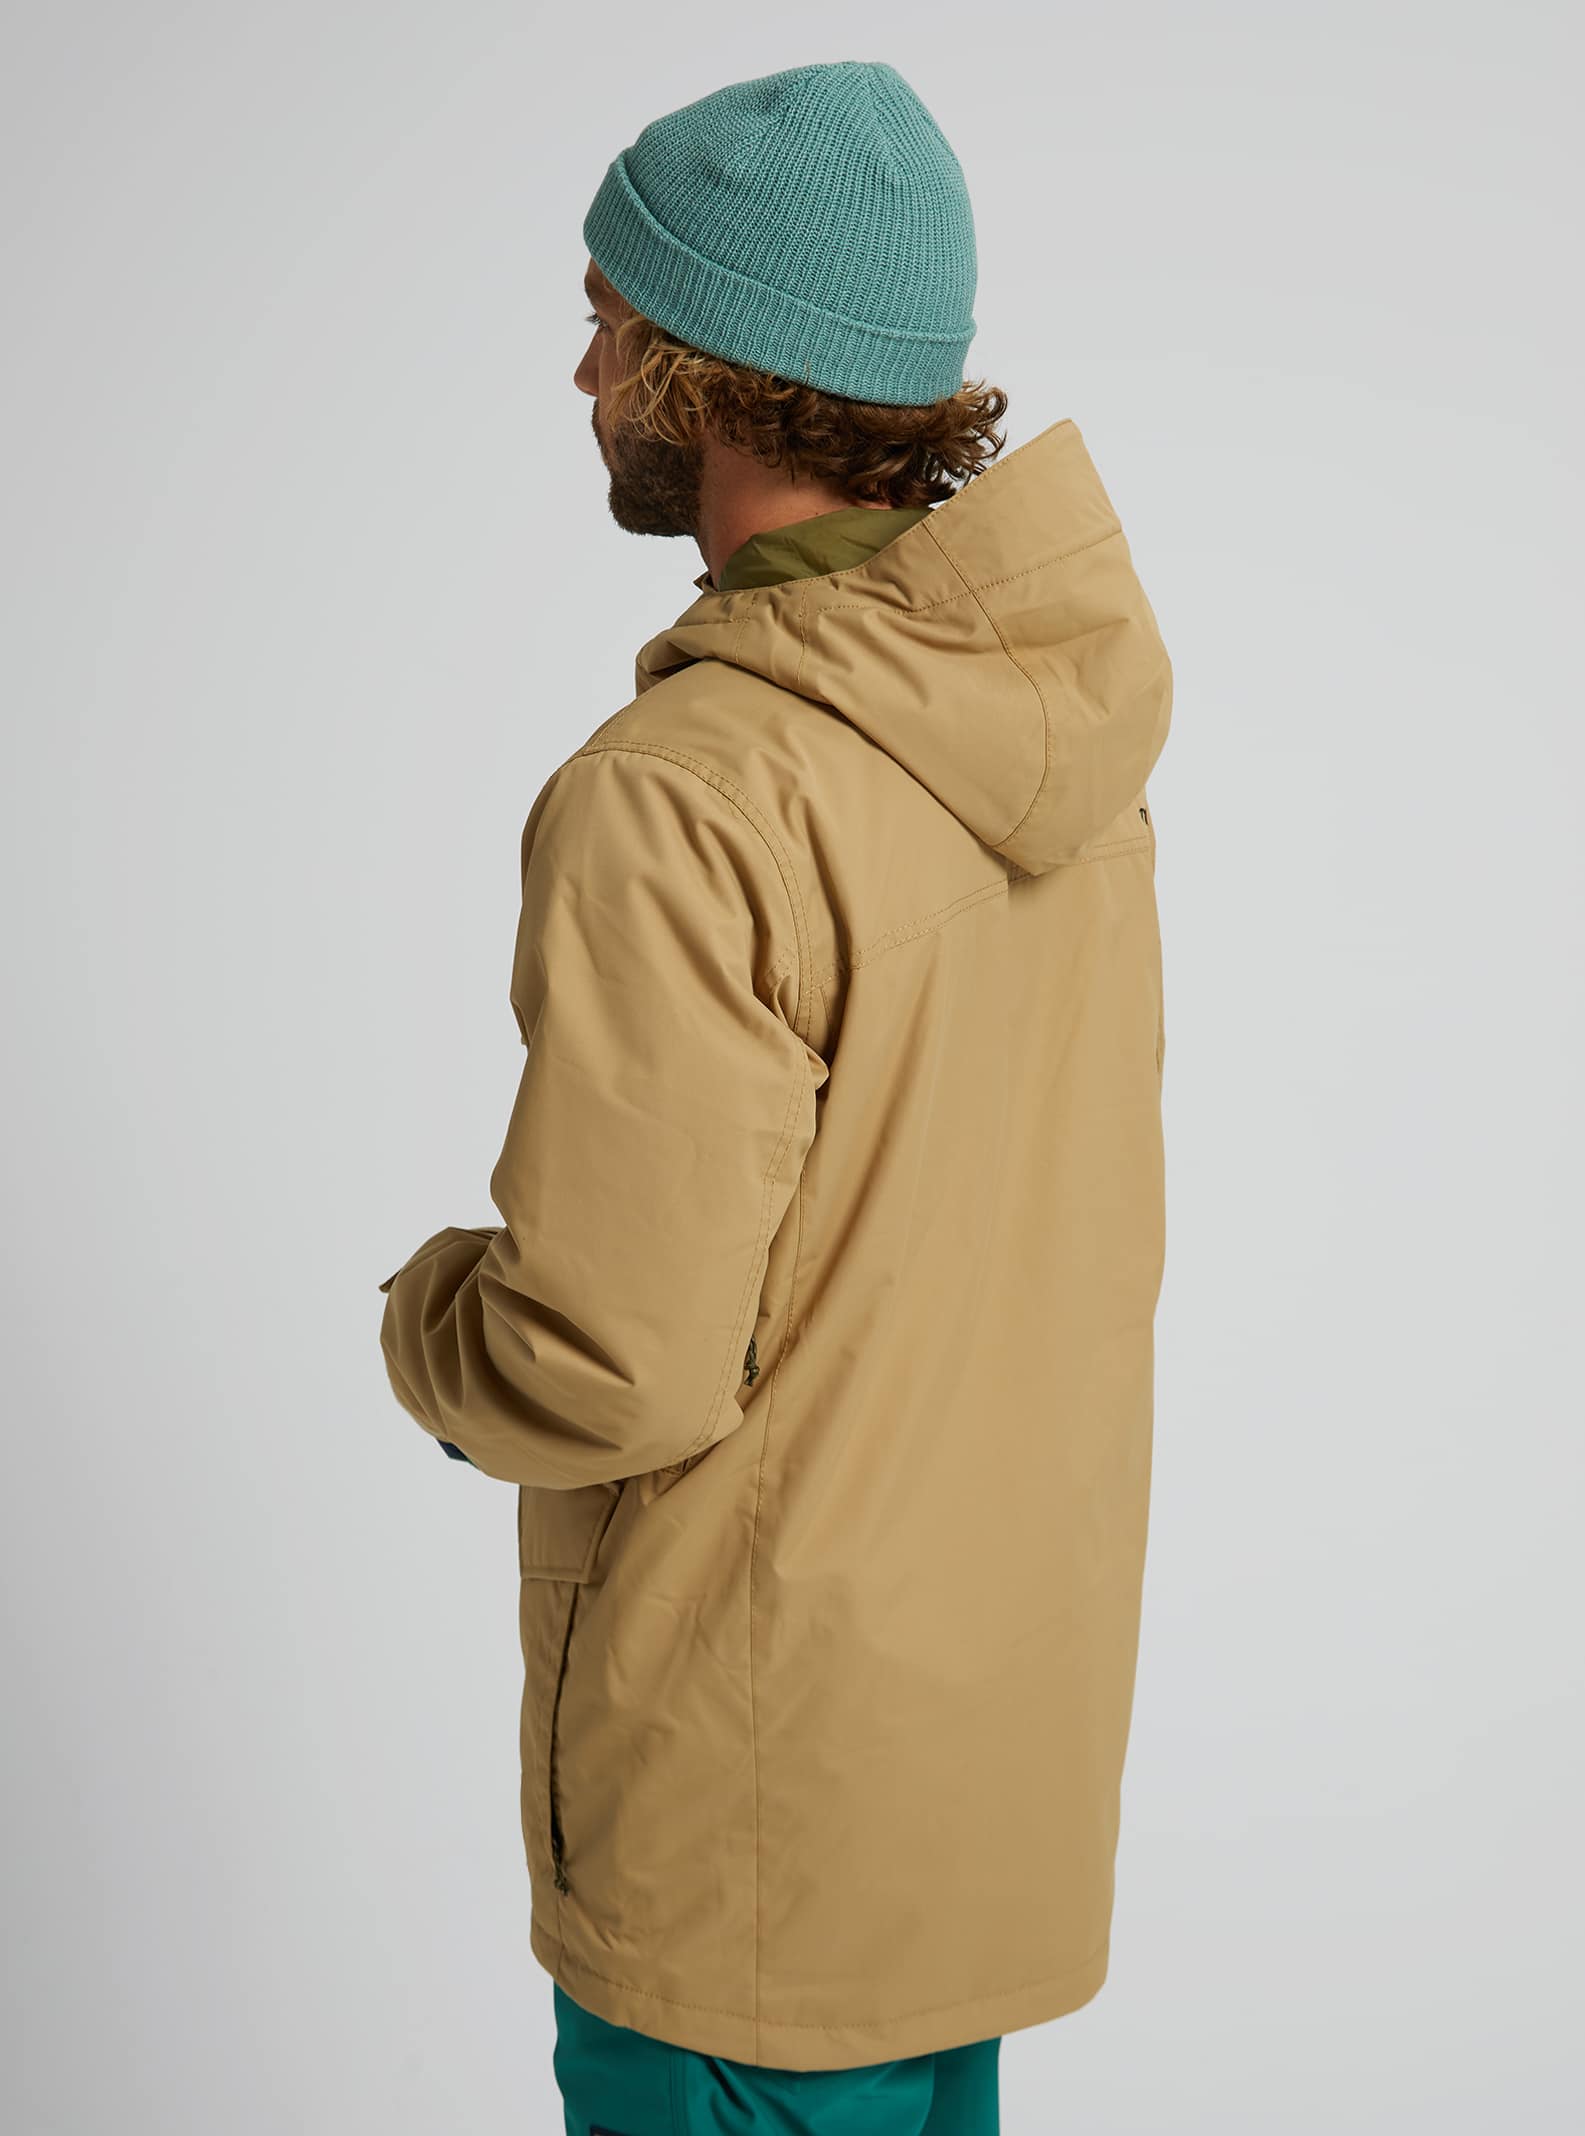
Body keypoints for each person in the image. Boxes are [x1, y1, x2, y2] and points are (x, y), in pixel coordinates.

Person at [377, 57, 1172, 2136]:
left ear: (701, 369)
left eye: (605, 322)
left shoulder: (684, 797)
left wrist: (427, 1325)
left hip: (747, 1820)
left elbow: (612, 1361)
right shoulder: (1053, 755)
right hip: (973, 1776)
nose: (581, 374)